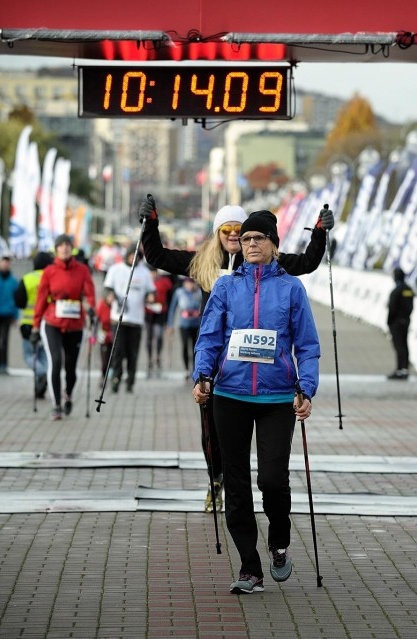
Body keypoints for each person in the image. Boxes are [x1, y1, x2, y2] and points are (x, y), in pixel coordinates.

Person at [142, 197, 333, 511]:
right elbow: (156, 255)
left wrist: (319, 230)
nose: (234, 236)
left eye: (239, 230)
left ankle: (243, 490)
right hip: (215, 365)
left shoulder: (269, 261)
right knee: (212, 432)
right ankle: (215, 479)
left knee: (251, 448)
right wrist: (151, 223)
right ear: (217, 233)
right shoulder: (202, 261)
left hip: (262, 375)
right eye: (227, 230)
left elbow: (309, 262)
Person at [191, 211, 321, 595]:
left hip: (277, 397)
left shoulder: (292, 289)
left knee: (272, 480)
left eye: (258, 238)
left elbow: (308, 345)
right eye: (245, 238)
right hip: (229, 395)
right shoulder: (226, 287)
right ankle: (250, 567)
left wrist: (306, 388)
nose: (250, 244)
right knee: (236, 480)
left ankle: (278, 542)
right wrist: (202, 376)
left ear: (273, 244)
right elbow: (209, 337)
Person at [31, 234, 96, 420]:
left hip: (75, 324)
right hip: (52, 322)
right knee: (56, 361)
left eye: (68, 245)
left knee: (70, 367)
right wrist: (36, 327)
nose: (65, 248)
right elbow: (41, 299)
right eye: (61, 245)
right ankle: (57, 405)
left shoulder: (82, 270)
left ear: (72, 248)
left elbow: (90, 294)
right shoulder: (49, 272)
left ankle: (68, 393)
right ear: (56, 249)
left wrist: (91, 308)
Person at [103, 245, 155, 393]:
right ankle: (116, 379)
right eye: (131, 255)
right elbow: (107, 288)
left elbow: (151, 291)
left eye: (137, 256)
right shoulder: (115, 269)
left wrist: (151, 297)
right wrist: (109, 297)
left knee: (133, 353)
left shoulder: (144, 272)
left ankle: (130, 382)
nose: (134, 258)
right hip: (118, 319)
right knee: (118, 352)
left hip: (136, 320)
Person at [14, 251, 55, 398]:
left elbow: (19, 301)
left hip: (29, 324)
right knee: (44, 355)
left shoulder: (27, 278)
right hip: (48, 323)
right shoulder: (52, 278)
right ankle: (42, 384)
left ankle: (41, 373)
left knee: (29, 355)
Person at [168, 277, 202, 380]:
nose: (190, 286)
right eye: (188, 283)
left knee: (195, 348)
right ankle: (186, 369)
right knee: (185, 346)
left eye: (192, 283)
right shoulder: (179, 292)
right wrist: (170, 324)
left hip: (196, 323)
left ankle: (194, 369)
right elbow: (172, 309)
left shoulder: (198, 292)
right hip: (183, 324)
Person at [386, 267, 414, 380]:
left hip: (396, 323)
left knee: (399, 346)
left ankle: (399, 370)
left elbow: (391, 309)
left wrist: (389, 322)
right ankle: (404, 369)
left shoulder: (396, 291)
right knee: (405, 345)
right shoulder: (408, 290)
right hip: (406, 321)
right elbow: (411, 306)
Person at [145, 268, 173, 378]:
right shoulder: (147, 281)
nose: (152, 275)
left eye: (154, 272)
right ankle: (150, 358)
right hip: (148, 313)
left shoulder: (165, 281)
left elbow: (169, 296)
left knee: (159, 335)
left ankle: (158, 357)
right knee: (149, 337)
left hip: (160, 312)